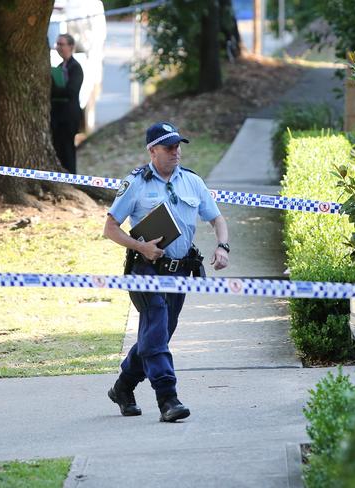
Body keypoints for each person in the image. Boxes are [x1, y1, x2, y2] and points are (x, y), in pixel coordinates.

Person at [103, 122, 230, 422]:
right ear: (152, 151)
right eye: (169, 147)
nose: (176, 151)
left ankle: (123, 387)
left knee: (157, 335)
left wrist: (223, 246)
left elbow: (217, 219)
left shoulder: (192, 181)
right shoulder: (135, 183)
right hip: (145, 270)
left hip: (179, 273)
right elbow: (110, 228)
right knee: (157, 330)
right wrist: (141, 246)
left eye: (178, 145)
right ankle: (167, 399)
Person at [50, 33, 83, 174]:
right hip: (57, 115)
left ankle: (71, 178)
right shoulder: (58, 66)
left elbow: (72, 91)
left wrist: (54, 89)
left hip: (69, 116)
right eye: (57, 44)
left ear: (71, 46)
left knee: (68, 149)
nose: (59, 47)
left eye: (62, 44)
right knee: (57, 148)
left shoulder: (75, 67)